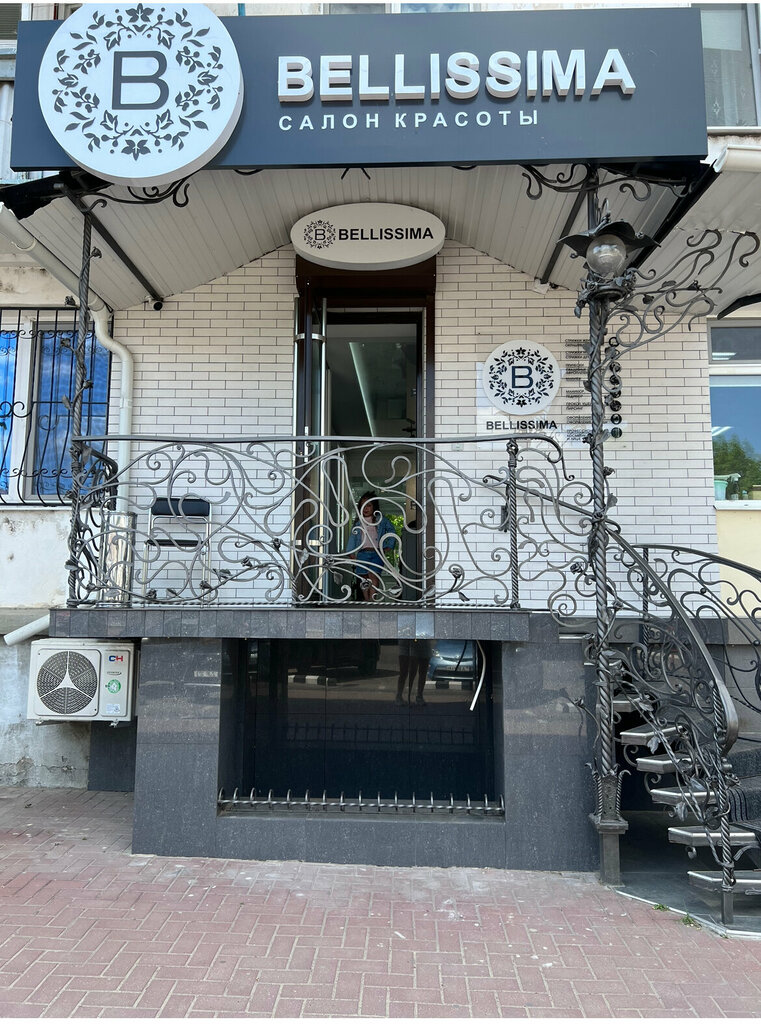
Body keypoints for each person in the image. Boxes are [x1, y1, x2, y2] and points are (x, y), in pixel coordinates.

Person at [345, 491, 397, 601]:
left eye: (368, 505)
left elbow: (391, 530)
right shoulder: (358, 522)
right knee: (363, 577)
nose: (365, 508)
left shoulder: (381, 520)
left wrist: (389, 545)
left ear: (374, 507)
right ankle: (367, 600)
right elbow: (353, 537)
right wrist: (350, 552)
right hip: (362, 553)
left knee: (374, 576)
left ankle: (373, 599)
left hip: (377, 552)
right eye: (363, 506)